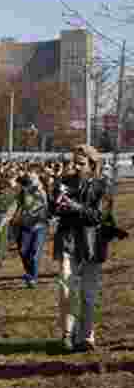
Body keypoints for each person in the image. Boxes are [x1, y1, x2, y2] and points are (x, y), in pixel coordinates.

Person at [50, 145, 112, 352]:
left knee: (88, 293)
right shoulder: (64, 182)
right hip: (68, 239)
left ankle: (86, 336)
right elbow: (52, 210)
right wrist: (56, 201)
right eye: (73, 162)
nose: (75, 167)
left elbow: (98, 216)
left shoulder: (103, 185)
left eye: (81, 163)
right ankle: (67, 334)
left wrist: (76, 207)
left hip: (92, 243)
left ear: (92, 164)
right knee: (65, 288)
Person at [14, 174, 49, 288]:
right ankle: (29, 272)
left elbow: (47, 207)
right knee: (24, 251)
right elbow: (16, 206)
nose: (32, 182)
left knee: (34, 252)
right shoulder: (22, 193)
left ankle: (33, 277)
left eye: (35, 179)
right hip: (25, 226)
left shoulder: (42, 192)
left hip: (40, 226)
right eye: (31, 179)